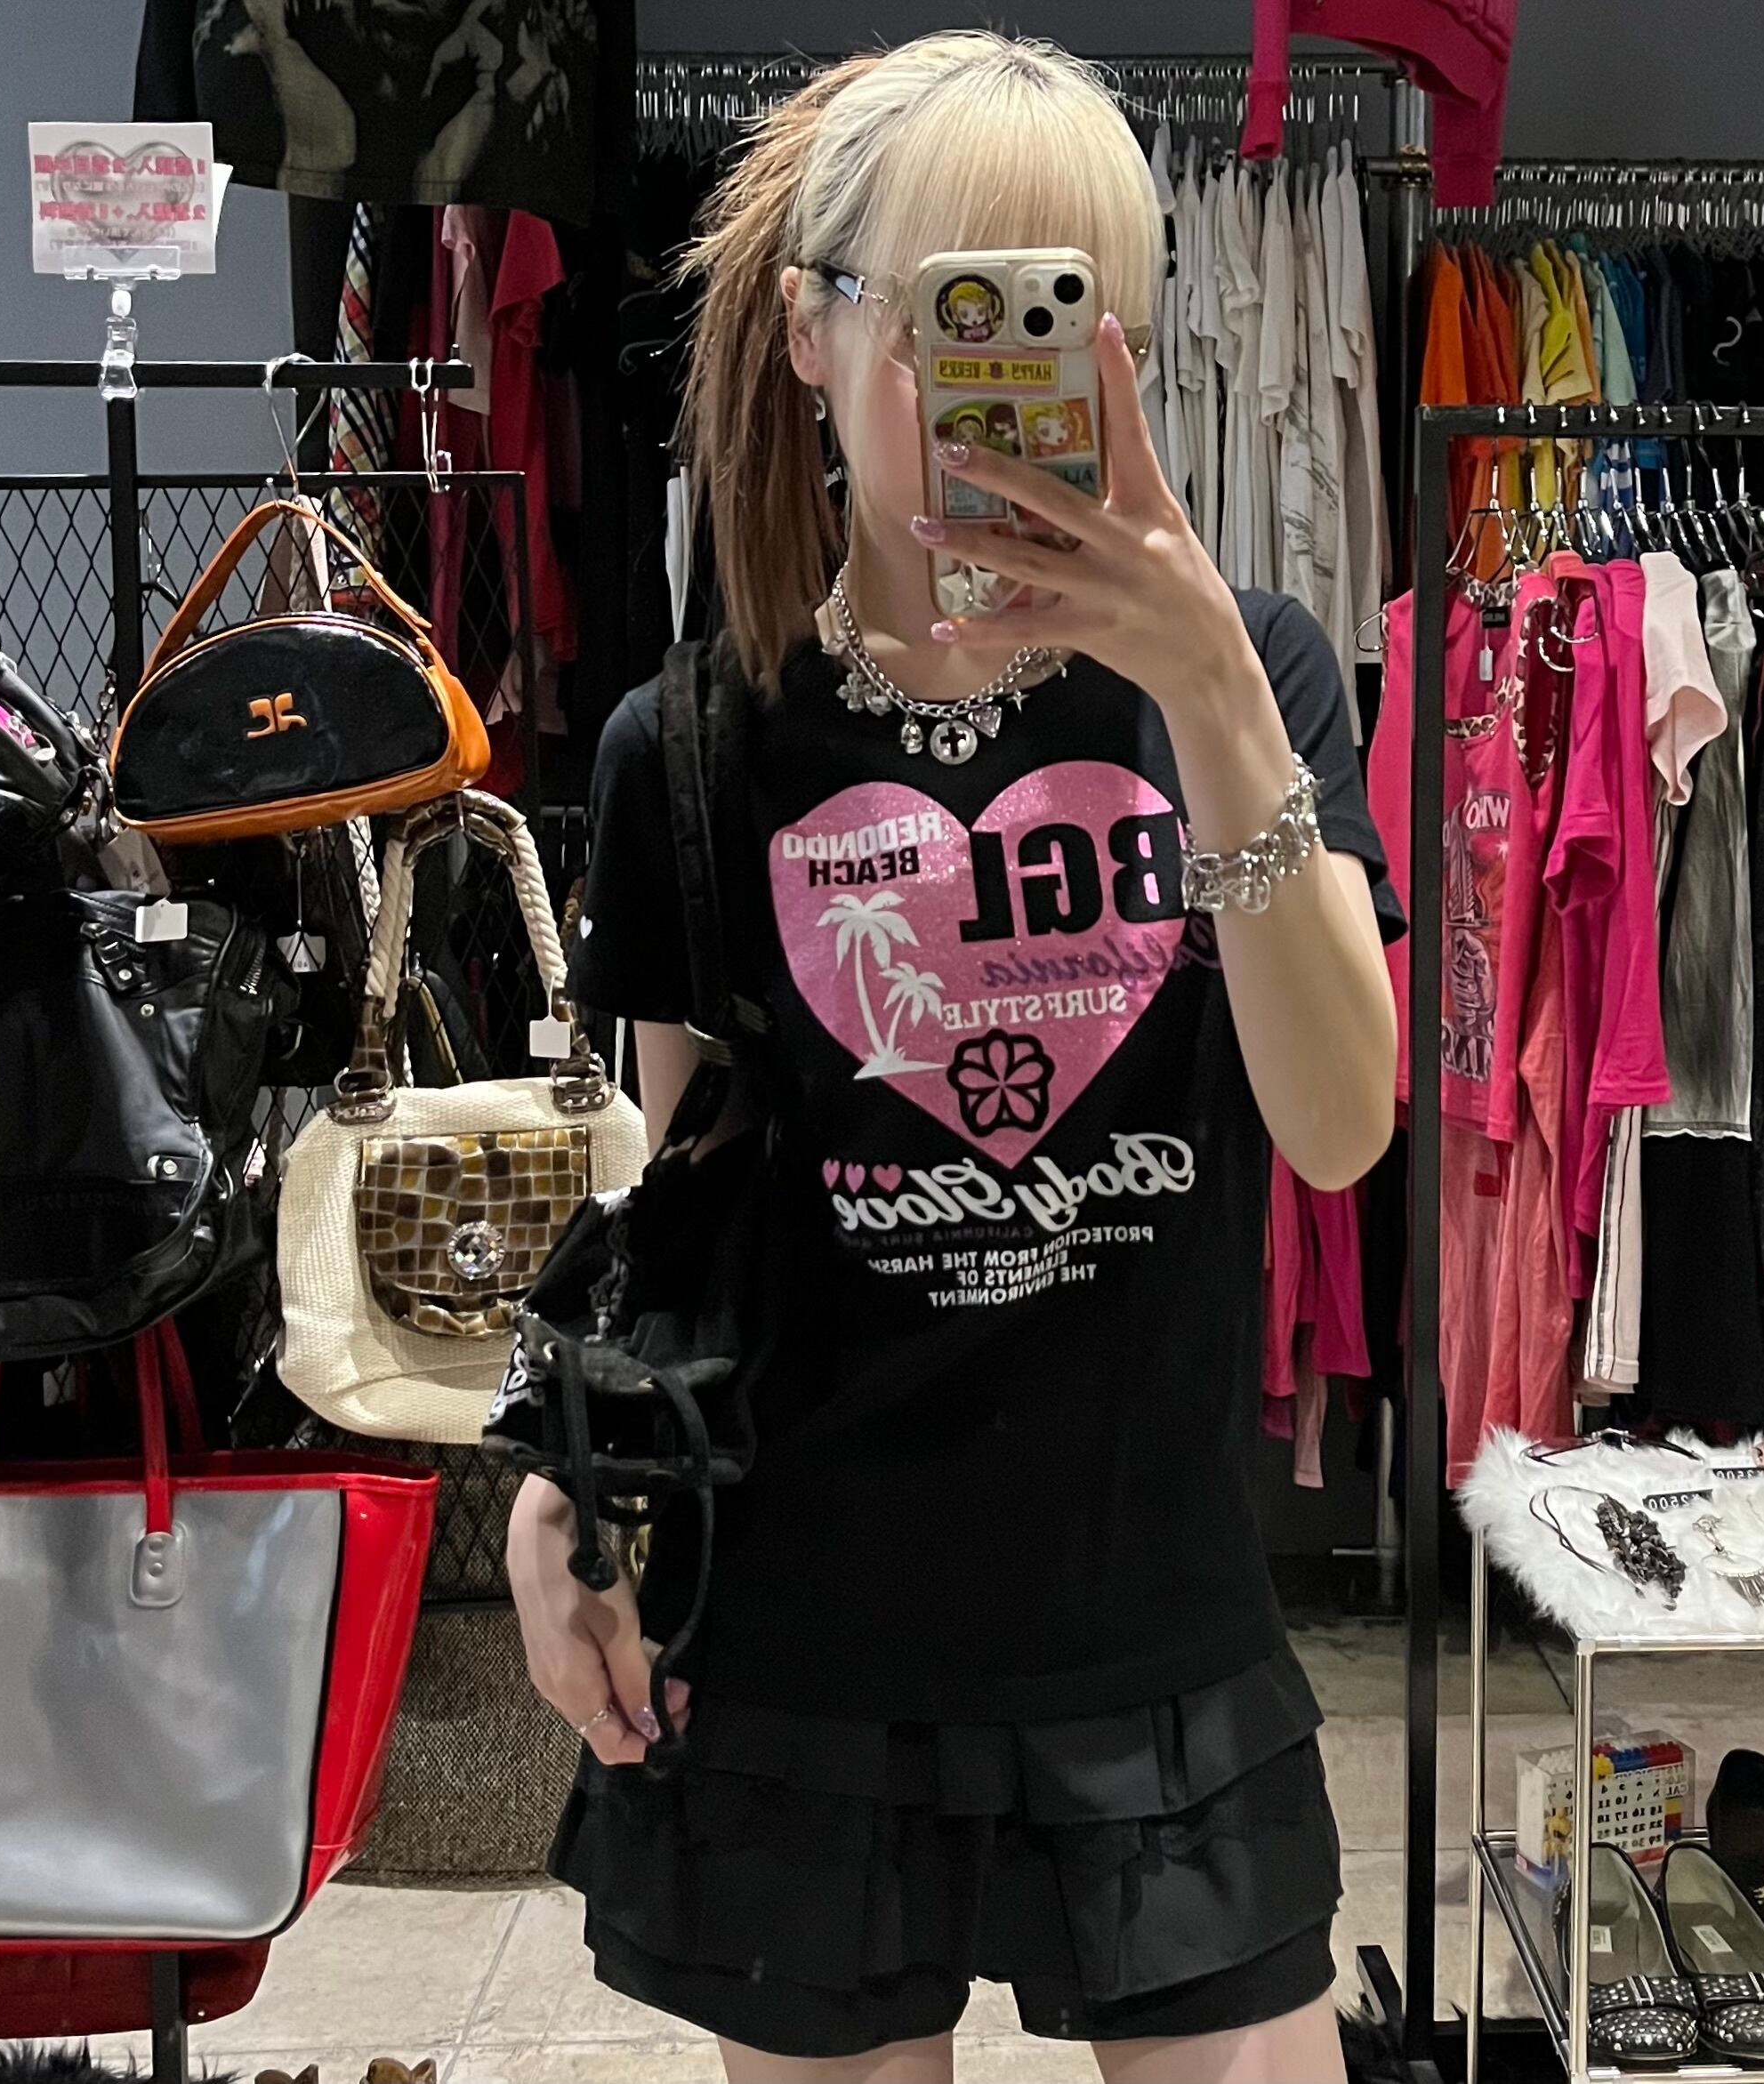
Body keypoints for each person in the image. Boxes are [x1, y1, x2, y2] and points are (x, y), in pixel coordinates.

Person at [507, 31, 1401, 2084]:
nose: (989, 385)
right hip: (799, 1644)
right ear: (808, 335)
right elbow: (673, 1207)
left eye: (1048, 318)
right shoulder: (687, 742)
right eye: (936, 318)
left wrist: (1204, 692)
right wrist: (563, 1499)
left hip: (1152, 1622)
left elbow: (1338, 1123)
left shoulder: (1243, 678)